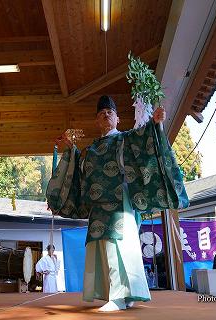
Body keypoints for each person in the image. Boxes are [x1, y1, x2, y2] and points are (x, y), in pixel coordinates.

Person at [46, 95, 189, 312]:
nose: (106, 115)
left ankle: (121, 296)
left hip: (119, 204)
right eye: (102, 113)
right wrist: (70, 149)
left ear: (118, 119)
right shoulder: (91, 149)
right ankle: (116, 294)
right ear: (96, 121)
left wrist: (155, 123)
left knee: (118, 248)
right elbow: (77, 172)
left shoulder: (125, 139)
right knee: (101, 250)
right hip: (97, 207)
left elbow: (144, 139)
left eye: (110, 112)